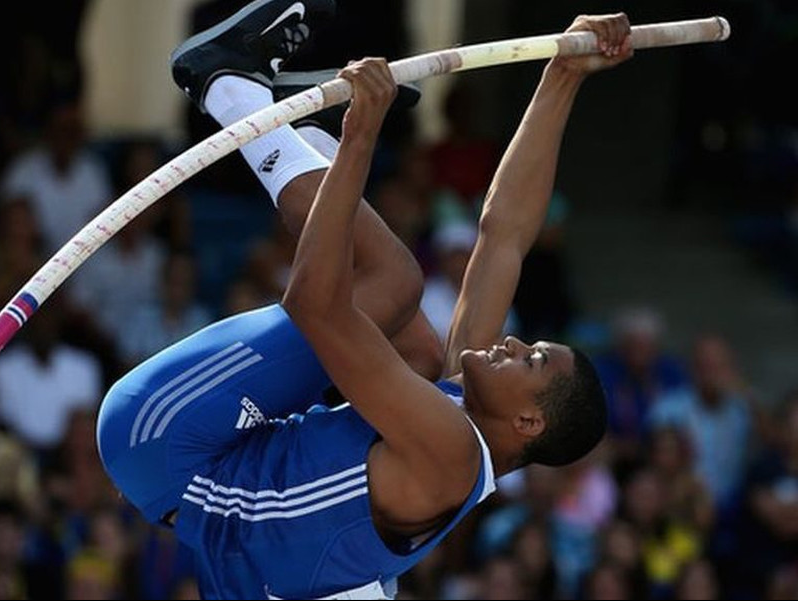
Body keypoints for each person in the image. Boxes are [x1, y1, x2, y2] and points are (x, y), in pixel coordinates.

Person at [97, 1, 630, 597]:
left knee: (396, 284)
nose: (511, 341)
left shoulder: (448, 455)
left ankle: (225, 84)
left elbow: (315, 306)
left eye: (530, 359)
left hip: (162, 441)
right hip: (202, 468)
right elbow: (504, 236)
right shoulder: (458, 417)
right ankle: (309, 137)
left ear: (528, 421)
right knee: (419, 350)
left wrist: (362, 138)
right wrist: (562, 75)